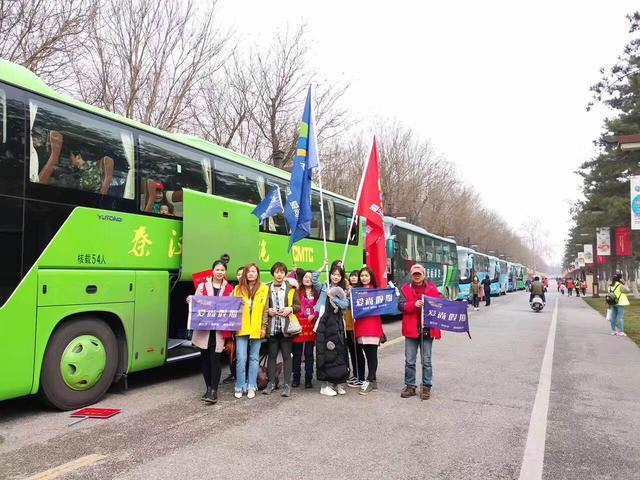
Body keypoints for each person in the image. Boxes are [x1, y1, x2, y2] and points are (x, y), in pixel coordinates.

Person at [188, 260, 234, 404]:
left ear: (225, 272)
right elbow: (196, 302)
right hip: (205, 331)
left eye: (222, 270)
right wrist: (191, 299)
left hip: (219, 331)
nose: (220, 272)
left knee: (215, 360)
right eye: (217, 269)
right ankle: (208, 388)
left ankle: (214, 391)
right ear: (212, 271)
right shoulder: (202, 287)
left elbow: (232, 307)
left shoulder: (229, 289)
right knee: (205, 360)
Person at [397, 264, 442, 400]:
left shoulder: (433, 289)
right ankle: (410, 386)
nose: (417, 276)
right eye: (414, 274)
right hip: (411, 329)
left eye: (419, 274)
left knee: (426, 360)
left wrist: (430, 303)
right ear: (411, 275)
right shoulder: (405, 289)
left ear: (423, 275)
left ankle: (426, 386)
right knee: (409, 360)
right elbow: (400, 306)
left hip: (427, 329)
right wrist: (413, 304)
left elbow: (441, 303)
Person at [262, 262, 301, 397]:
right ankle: (271, 383)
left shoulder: (291, 289)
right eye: (277, 272)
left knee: (286, 356)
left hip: (286, 328)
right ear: (273, 273)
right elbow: (262, 306)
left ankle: (287, 385)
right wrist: (269, 310)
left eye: (282, 272)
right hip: (272, 328)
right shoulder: (266, 288)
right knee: (272, 356)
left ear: (285, 274)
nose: (279, 275)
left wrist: (289, 309)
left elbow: (298, 306)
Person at [312, 259, 350, 396]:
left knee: (339, 352)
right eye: (333, 274)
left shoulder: (342, 291)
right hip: (324, 324)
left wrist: (334, 299)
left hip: (338, 324)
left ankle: (337, 383)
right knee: (326, 353)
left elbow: (345, 305)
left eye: (338, 275)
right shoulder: (323, 287)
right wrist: (323, 265)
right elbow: (313, 278)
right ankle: (325, 385)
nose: (335, 276)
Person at [233, 263, 269, 399]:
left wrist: (263, 327)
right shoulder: (237, 288)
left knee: (254, 358)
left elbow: (266, 310)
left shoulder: (264, 288)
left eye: (254, 271)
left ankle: (251, 386)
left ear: (257, 274)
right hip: (241, 327)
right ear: (245, 274)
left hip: (256, 328)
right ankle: (240, 385)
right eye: (248, 272)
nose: (251, 274)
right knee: (241, 358)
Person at [353, 267, 385, 395]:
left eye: (366, 275)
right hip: (361, 326)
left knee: (372, 354)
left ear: (371, 277)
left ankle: (370, 379)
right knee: (366, 354)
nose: (364, 278)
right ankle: (373, 380)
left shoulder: (377, 292)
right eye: (362, 275)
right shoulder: (356, 292)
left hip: (373, 326)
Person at [292, 270, 319, 389]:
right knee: (297, 353)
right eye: (305, 277)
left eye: (310, 277)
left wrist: (314, 314)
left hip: (311, 325)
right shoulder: (297, 291)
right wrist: (293, 273)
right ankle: (296, 378)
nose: (307, 279)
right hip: (298, 325)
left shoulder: (317, 292)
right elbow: (289, 281)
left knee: (309, 353)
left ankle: (309, 379)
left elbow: (320, 306)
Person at [345, 270, 362, 387]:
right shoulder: (347, 290)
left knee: (358, 351)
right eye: (352, 276)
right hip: (348, 325)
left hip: (357, 325)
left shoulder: (360, 291)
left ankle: (360, 376)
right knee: (352, 350)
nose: (353, 278)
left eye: (356, 276)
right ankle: (355, 373)